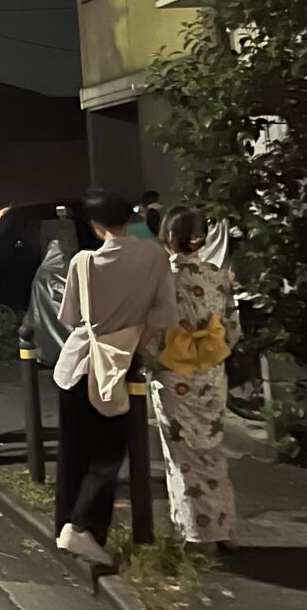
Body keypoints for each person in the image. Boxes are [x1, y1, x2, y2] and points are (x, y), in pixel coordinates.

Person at [53, 188, 177, 566]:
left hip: (78, 365)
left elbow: (71, 318)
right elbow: (163, 315)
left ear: (94, 225)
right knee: (108, 454)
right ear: (131, 218)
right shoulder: (155, 256)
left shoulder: (84, 262)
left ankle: (67, 527)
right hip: (121, 364)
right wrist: (137, 343)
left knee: (74, 452)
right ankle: (86, 529)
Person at [153, 208, 241, 550]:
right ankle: (226, 527)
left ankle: (197, 533)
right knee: (211, 450)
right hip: (212, 371)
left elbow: (154, 333)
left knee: (183, 454)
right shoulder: (218, 276)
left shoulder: (163, 280)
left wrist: (149, 361)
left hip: (176, 371)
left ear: (170, 237)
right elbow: (232, 328)